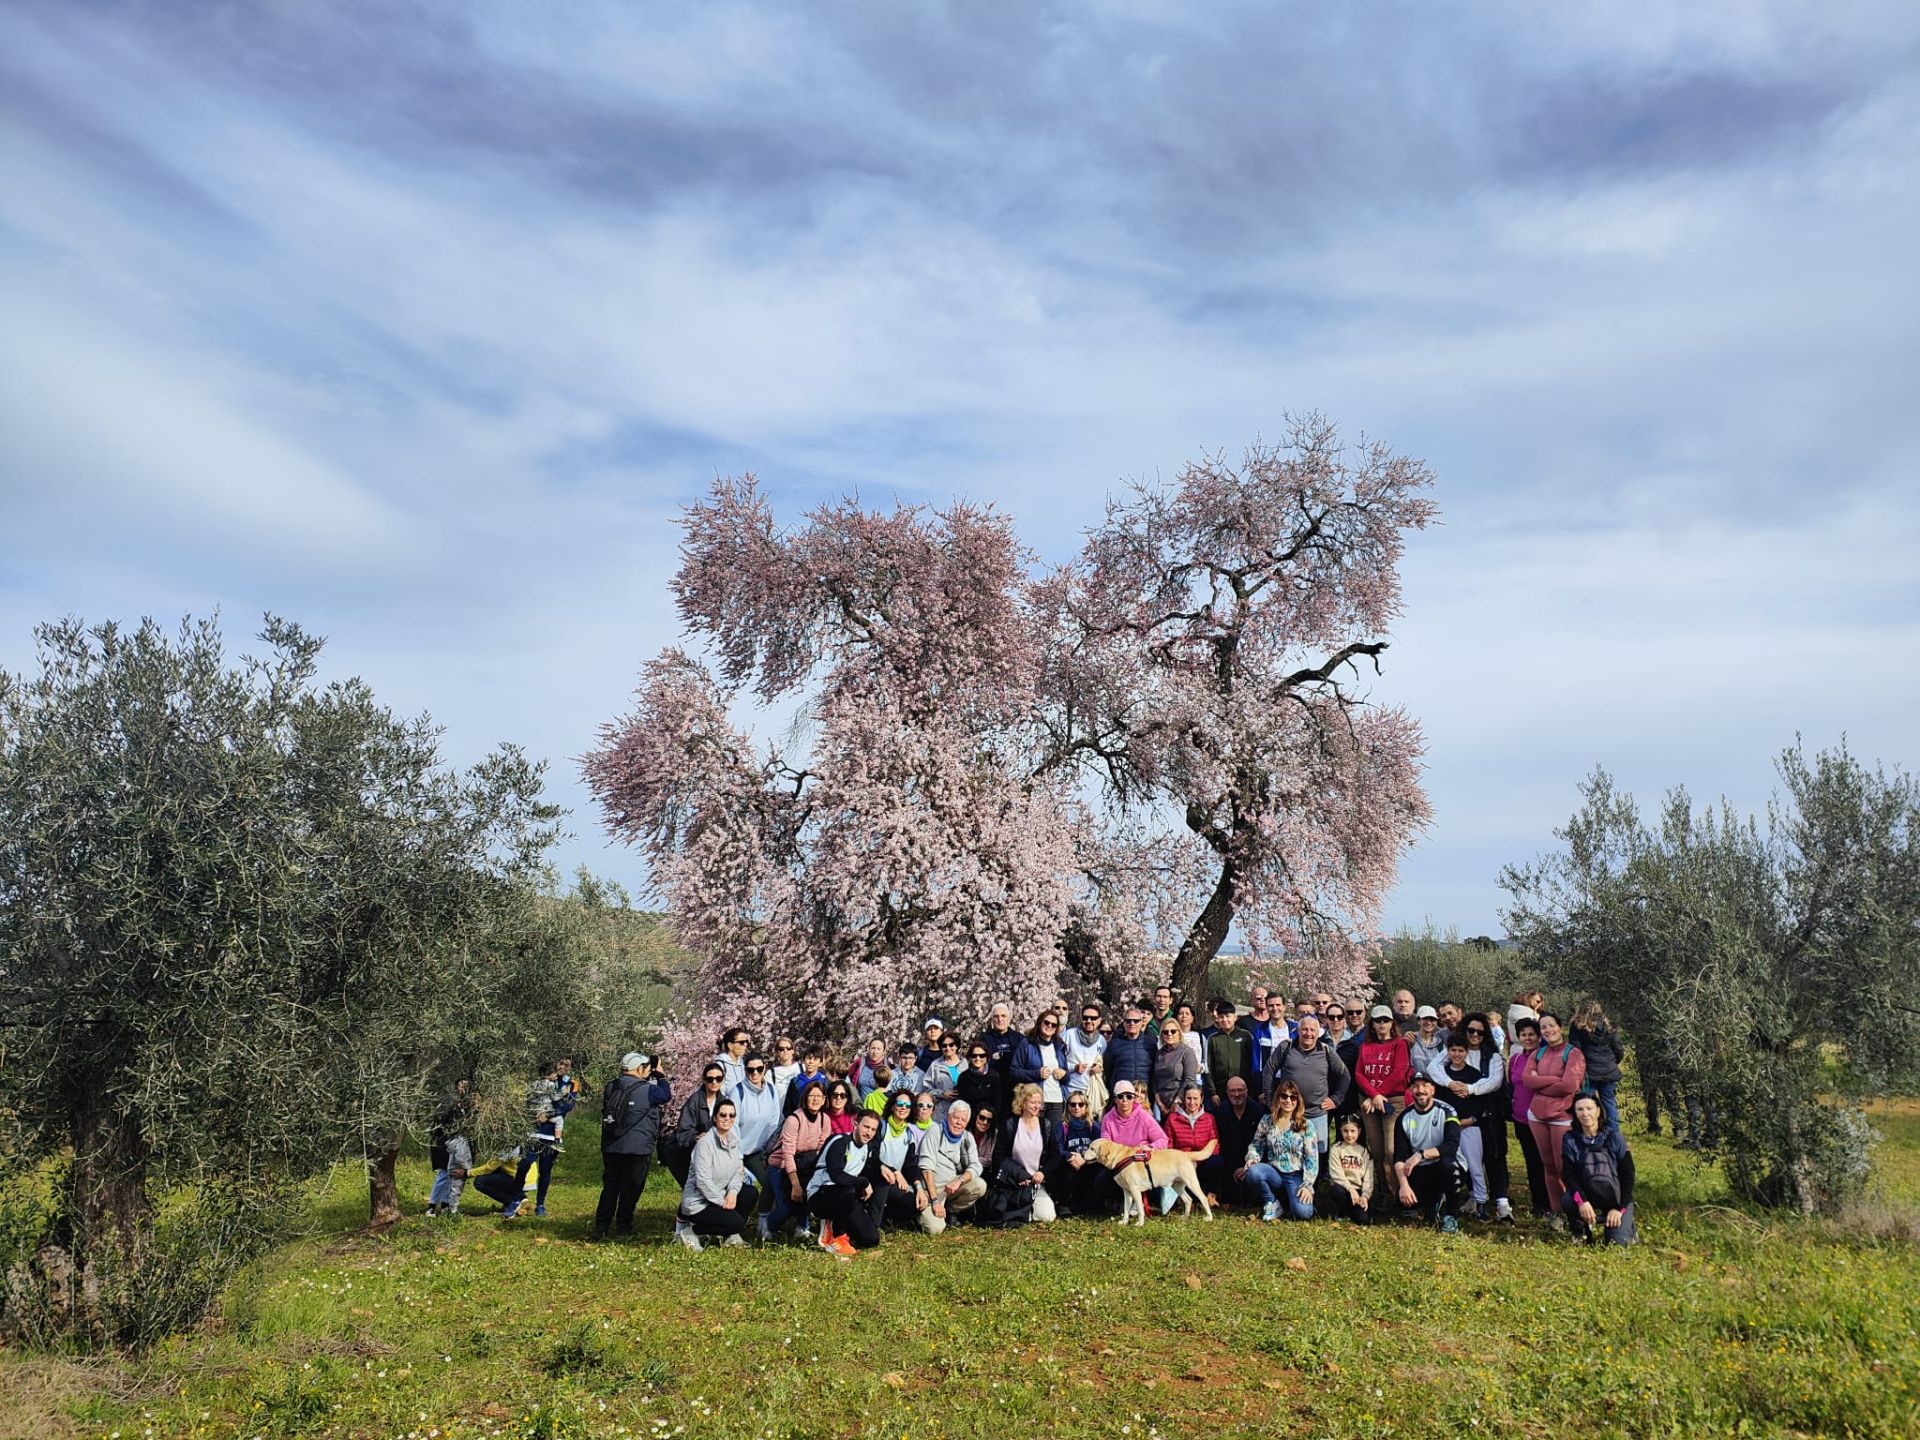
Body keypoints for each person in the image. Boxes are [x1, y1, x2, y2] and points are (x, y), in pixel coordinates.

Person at [591, 1052, 671, 1241]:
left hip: (611, 1145)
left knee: (610, 1187)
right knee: (631, 1188)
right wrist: (660, 1075)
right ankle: (623, 1228)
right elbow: (666, 1095)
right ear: (639, 1068)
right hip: (638, 1147)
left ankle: (601, 1227)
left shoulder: (611, 1086)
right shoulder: (649, 1090)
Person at [1524, 1012, 1588, 1218]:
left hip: (1562, 1116)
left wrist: (1540, 1082)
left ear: (1560, 1027)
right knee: (1549, 1166)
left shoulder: (1574, 1054)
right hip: (1537, 1116)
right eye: (1543, 1027)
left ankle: (1578, 1208)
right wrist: (1554, 1079)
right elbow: (1527, 1081)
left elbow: (1569, 1085)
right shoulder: (1537, 1054)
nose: (1548, 1030)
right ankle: (1557, 1211)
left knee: (1564, 1167)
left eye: (1551, 1025)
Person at [675, 1098, 756, 1249]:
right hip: (699, 1201)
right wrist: (722, 1202)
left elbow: (738, 1172)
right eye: (723, 1115)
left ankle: (729, 1235)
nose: (727, 1118)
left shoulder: (734, 1140)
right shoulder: (704, 1144)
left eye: (731, 1115)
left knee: (750, 1194)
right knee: (737, 1223)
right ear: (714, 1118)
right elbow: (702, 1181)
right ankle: (691, 1232)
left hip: (723, 1192)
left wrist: (732, 1193)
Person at [1265, 1014, 1350, 1157]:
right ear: (1298, 1031)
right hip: (1289, 1112)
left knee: (1318, 1152)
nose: (1308, 1033)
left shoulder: (1326, 1050)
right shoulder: (1286, 1047)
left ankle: (1319, 1172)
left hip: (1317, 1112)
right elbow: (1268, 1071)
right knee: (1289, 1152)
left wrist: (1336, 1099)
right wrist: (1270, 1099)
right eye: (1304, 1029)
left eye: (1312, 1030)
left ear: (1318, 1032)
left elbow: (1344, 1075)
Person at [1354, 1005, 1412, 1214]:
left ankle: (1401, 1193)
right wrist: (1373, 1095)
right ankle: (1385, 1194)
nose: (1382, 1024)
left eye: (1385, 1020)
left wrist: (1378, 1095)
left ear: (1391, 1023)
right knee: (1377, 1151)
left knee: (1391, 1150)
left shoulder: (1399, 1044)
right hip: (1369, 1101)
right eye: (1378, 1021)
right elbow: (1359, 1074)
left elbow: (1398, 1072)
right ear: (1372, 1024)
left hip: (1392, 1100)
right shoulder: (1366, 1046)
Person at [1561, 1093, 1637, 1246]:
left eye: (1589, 1108)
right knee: (1568, 1199)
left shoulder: (1614, 1137)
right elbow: (1569, 1175)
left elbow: (1628, 1175)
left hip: (1616, 1198)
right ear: (1575, 1113)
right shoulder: (1570, 1139)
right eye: (1580, 1109)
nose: (1585, 1113)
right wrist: (1582, 1202)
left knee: (1616, 1244)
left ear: (1598, 1111)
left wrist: (1619, 1208)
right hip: (1587, 1194)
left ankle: (1629, 1228)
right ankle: (1581, 1231)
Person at [1392, 1073, 1465, 1232]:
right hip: (1422, 1168)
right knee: (1402, 1201)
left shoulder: (1447, 1111)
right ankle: (1432, 1203)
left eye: (1425, 1085)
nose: (1420, 1090)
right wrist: (1404, 1186)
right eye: (1415, 1086)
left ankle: (1450, 1215)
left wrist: (1421, 1154)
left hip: (1445, 1166)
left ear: (1433, 1089)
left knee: (1448, 1165)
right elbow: (1399, 1156)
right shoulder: (1404, 1117)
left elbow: (1451, 1146)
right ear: (1410, 1090)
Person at [807, 1109, 886, 1254]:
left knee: (870, 1239)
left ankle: (841, 1228)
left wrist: (889, 1170)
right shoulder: (840, 1142)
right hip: (820, 1195)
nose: (869, 1133)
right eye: (866, 1127)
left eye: (873, 1129)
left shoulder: (867, 1148)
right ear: (855, 1124)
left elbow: (874, 1164)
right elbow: (836, 1175)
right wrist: (863, 1182)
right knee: (848, 1190)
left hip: (846, 1198)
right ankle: (835, 1237)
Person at [1432, 1036, 1491, 1218]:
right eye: (1453, 1050)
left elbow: (1482, 1102)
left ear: (1466, 1052)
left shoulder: (1474, 1075)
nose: (1456, 1054)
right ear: (1448, 1052)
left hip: (1469, 1127)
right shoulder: (1443, 1076)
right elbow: (1438, 1102)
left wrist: (1471, 1120)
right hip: (1449, 1128)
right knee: (1447, 1164)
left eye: (1460, 1051)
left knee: (1475, 1165)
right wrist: (1449, 1123)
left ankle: (1480, 1201)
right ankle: (1445, 1201)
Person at [766, 1079, 831, 1241]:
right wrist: (795, 1184)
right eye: (811, 1095)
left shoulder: (824, 1119)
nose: (815, 1099)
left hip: (806, 1164)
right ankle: (769, 1227)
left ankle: (802, 1226)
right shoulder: (794, 1119)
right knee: (784, 1209)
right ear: (805, 1097)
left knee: (808, 1198)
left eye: (819, 1096)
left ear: (824, 1099)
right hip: (781, 1165)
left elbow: (821, 1150)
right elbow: (787, 1153)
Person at [1244, 1081, 1319, 1221]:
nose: (1288, 1100)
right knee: (1253, 1172)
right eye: (1284, 1096)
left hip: (1295, 1175)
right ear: (1278, 1098)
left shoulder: (1306, 1125)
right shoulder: (1267, 1120)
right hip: (1273, 1172)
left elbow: (1312, 1158)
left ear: (1297, 1100)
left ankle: (1289, 1200)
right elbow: (1256, 1144)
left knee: (1303, 1213)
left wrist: (1307, 1185)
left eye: (1293, 1097)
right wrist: (1252, 1158)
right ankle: (1271, 1202)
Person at [989, 1083, 1061, 1226]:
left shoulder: (1045, 1125)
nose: (1037, 1106)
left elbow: (1055, 1156)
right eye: (1033, 1102)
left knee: (1048, 1216)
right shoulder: (1010, 1125)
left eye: (1039, 1103)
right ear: (1022, 1103)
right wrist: (1017, 1176)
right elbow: (998, 1156)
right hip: (1013, 1182)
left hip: (1036, 1183)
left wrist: (1043, 1173)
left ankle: (1026, 1211)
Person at [917, 1099, 987, 1233]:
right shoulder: (935, 1131)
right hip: (932, 1190)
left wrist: (959, 1180)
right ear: (948, 1116)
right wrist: (935, 1200)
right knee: (935, 1229)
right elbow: (926, 1169)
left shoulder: (967, 1137)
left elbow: (976, 1166)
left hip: (952, 1187)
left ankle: (951, 1210)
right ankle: (925, 1212)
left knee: (980, 1185)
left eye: (963, 1120)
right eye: (956, 1118)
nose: (959, 1123)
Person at [731, 1053, 782, 1224]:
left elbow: (773, 1123)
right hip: (738, 1149)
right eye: (750, 1070)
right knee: (739, 1186)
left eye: (759, 1069)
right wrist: (738, 1157)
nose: (755, 1073)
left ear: (764, 1069)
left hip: (760, 1150)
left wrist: (770, 1152)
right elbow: (732, 1126)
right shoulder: (737, 1092)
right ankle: (735, 1218)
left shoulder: (772, 1091)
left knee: (770, 1181)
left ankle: (763, 1219)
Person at [1507, 1015, 1550, 1217]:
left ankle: (1553, 1203)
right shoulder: (1515, 1059)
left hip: (1543, 1119)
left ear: (1539, 1036)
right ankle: (1539, 1203)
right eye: (1523, 1035)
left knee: (1546, 1162)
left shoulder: (1547, 1058)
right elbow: (1511, 1085)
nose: (1528, 1038)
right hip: (1521, 1119)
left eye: (1531, 1034)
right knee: (1531, 1162)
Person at [667, 1063, 727, 1187]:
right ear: (704, 1080)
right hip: (684, 1153)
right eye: (710, 1079)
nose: (714, 1082)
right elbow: (684, 1131)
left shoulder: (724, 1102)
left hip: (709, 1153)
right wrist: (697, 1136)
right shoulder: (694, 1101)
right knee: (693, 1188)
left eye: (718, 1078)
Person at [1165, 1082, 1223, 1209]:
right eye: (1188, 1098)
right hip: (1181, 1165)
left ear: (1201, 1099)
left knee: (1217, 1161)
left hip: (1202, 1162)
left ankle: (1211, 1196)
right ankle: (1182, 1198)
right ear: (1184, 1099)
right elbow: (1169, 1146)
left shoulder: (1209, 1118)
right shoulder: (1172, 1119)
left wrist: (1199, 1159)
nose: (1192, 1102)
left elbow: (1215, 1144)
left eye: (1195, 1098)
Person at [1570, 999, 1625, 1130]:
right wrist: (1613, 1063)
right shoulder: (1609, 1027)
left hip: (1588, 1072)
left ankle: (1588, 1131)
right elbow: (1618, 1049)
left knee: (1586, 1103)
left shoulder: (1578, 1027)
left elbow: (1576, 1050)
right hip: (1609, 1071)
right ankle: (1613, 1132)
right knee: (1609, 1103)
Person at [1011, 1012, 1070, 1131]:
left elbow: (1067, 1076)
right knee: (1035, 1137)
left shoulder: (1059, 1046)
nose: (1049, 1026)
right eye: (1046, 1022)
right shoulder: (1027, 1044)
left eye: (1053, 1025)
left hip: (1056, 1100)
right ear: (1039, 1023)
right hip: (1034, 1101)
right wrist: (1036, 1074)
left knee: (1054, 1138)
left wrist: (1064, 1074)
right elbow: (1014, 1071)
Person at [875, 1089, 926, 1229]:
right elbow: (871, 1156)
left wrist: (919, 1187)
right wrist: (895, 1172)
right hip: (877, 1176)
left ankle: (888, 1219)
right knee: (885, 1185)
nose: (903, 1107)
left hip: (896, 1182)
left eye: (908, 1105)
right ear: (892, 1106)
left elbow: (911, 1165)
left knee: (914, 1202)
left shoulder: (909, 1134)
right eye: (900, 1104)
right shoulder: (881, 1127)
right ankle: (874, 1223)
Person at [1212, 1075, 1263, 1208]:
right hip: (1230, 1163)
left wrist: (1247, 1166)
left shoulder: (1258, 1111)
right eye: (1232, 1091)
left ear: (1246, 1091)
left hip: (1253, 1162)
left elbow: (1262, 1143)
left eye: (1240, 1090)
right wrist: (1235, 1168)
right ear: (1227, 1092)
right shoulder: (1221, 1112)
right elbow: (1222, 1144)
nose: (1236, 1094)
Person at [1054, 1091, 1106, 1217]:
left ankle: (1091, 1203)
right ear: (1068, 1107)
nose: (1076, 1107)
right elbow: (1057, 1148)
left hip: (1088, 1164)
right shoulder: (1062, 1126)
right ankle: (1064, 1204)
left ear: (1086, 1106)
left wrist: (1084, 1159)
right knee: (1067, 1170)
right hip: (1070, 1163)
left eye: (1081, 1104)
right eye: (1073, 1104)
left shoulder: (1094, 1127)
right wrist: (1070, 1157)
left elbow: (1100, 1150)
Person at [1324, 1114, 1373, 1225]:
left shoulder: (1364, 1151)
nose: (1349, 1135)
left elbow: (1368, 1178)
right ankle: (1343, 1210)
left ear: (1359, 1131)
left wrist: (1365, 1195)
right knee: (1336, 1190)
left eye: (1353, 1131)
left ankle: (1355, 1211)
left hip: (1359, 1189)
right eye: (1345, 1131)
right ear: (1340, 1131)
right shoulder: (1336, 1149)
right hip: (1343, 1188)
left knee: (1362, 1220)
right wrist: (1350, 1188)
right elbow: (1336, 1173)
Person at [1151, 1014, 1200, 1118]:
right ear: (1162, 1035)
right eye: (1165, 1032)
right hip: (1162, 1106)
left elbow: (1190, 1080)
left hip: (1181, 1106)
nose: (1169, 1034)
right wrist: (1159, 1103)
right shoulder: (1159, 1053)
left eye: (1173, 1031)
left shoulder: (1187, 1052)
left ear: (1179, 1033)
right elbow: (1155, 1079)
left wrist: (1177, 1102)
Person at [1204, 999, 1253, 1101]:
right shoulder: (1213, 1039)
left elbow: (1253, 1062)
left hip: (1243, 1087)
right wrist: (1213, 1092)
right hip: (1221, 1089)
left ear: (1235, 1017)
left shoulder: (1246, 1036)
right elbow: (1208, 1066)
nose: (1224, 1019)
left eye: (1228, 1016)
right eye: (1221, 1017)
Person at [1102, 1007, 1156, 1100]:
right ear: (1123, 1023)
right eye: (1128, 1021)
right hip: (1122, 1097)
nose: (1132, 1023)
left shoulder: (1150, 1043)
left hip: (1144, 1096)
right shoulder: (1114, 1044)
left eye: (1136, 1021)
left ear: (1141, 1022)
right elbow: (1108, 1071)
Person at [1064, 1003, 1108, 1114]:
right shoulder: (1070, 1035)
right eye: (1085, 1018)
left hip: (1091, 1091)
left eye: (1093, 1018)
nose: (1089, 1021)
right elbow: (1057, 1061)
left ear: (1099, 1020)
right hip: (1071, 1090)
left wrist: (1099, 1067)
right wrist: (1074, 1067)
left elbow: (1103, 1063)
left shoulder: (1101, 1041)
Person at [974, 1003, 1019, 1109]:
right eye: (996, 1016)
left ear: (1009, 1018)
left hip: (1013, 1090)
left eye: (1003, 1016)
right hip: (991, 1091)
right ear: (992, 1019)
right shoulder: (984, 1038)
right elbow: (986, 1063)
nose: (1000, 1019)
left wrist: (1000, 1055)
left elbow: (1018, 1063)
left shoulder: (1018, 1038)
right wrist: (1008, 1057)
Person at [783, 1045, 828, 1116]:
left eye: (815, 1059)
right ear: (803, 1060)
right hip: (799, 1118)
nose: (811, 1062)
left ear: (820, 1063)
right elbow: (788, 1107)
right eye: (808, 1058)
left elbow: (827, 1106)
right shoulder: (795, 1081)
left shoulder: (824, 1081)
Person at [1408, 1005, 1448, 1078]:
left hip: (1436, 1083)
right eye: (1425, 1019)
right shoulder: (1410, 1039)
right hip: (1414, 1082)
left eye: (1432, 1019)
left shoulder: (1441, 1043)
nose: (1429, 1022)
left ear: (1436, 1022)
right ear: (1418, 1021)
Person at [715, 1027, 752, 1092]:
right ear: (730, 1045)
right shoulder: (720, 1066)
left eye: (746, 1041)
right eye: (741, 1042)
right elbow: (720, 1092)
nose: (745, 1044)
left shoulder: (744, 1064)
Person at [768, 1037, 802, 1101]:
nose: (785, 1051)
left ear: (793, 1051)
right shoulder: (770, 1074)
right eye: (781, 1049)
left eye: (788, 1048)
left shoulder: (803, 1068)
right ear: (777, 1052)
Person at [969, 1102, 1001, 1172]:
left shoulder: (994, 1134)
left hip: (983, 1171)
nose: (985, 1122)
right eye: (982, 1118)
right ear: (976, 1116)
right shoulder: (966, 1130)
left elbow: (989, 1160)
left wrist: (968, 1159)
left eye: (989, 1120)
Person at [1173, 1002, 1205, 1071]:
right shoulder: (1171, 1035)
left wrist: (1200, 1068)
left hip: (1196, 1076)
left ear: (1192, 1018)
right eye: (1181, 1013)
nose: (1184, 1016)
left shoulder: (1200, 1036)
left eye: (1187, 1014)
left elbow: (1205, 1059)